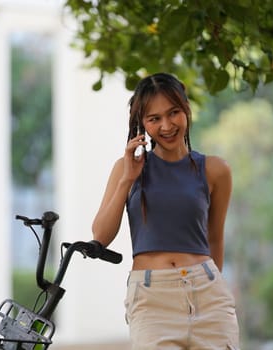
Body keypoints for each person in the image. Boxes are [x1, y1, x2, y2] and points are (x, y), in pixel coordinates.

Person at [92, 72, 240, 349]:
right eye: (154, 118)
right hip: (152, 300)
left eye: (173, 113)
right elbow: (100, 235)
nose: (167, 125)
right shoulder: (125, 170)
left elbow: (215, 239)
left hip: (208, 296)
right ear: (142, 124)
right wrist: (128, 178)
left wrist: (210, 284)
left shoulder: (216, 170)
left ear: (186, 109)